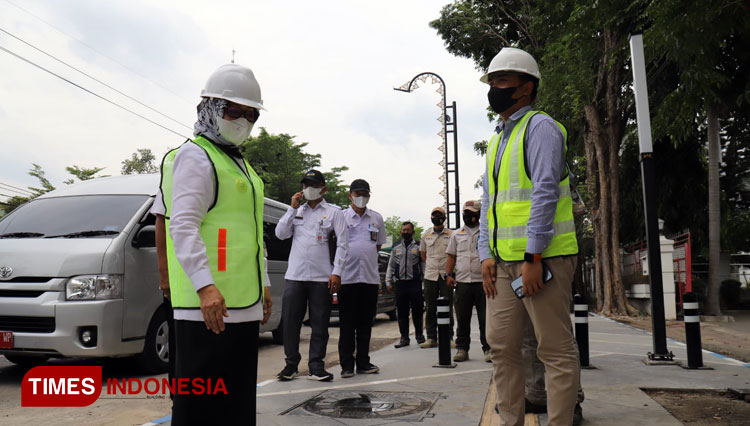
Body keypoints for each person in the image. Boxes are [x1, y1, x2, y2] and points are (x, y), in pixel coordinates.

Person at [163, 63, 272, 425]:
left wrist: (265, 285)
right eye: (232, 110)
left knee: (236, 408)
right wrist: (205, 287)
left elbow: (253, 235)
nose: (241, 120)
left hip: (242, 305)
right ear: (209, 107)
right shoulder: (197, 155)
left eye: (250, 114)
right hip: (206, 309)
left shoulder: (240, 164)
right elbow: (181, 224)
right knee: (201, 412)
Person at [478, 47, 580, 426]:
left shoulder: (541, 128)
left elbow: (544, 194)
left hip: (543, 260)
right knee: (502, 348)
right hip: (504, 263)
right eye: (491, 81)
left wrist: (533, 257)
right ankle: (510, 422)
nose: (494, 88)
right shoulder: (497, 139)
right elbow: (491, 202)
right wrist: (485, 252)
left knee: (554, 349)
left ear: (526, 87)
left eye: (502, 80)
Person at [275, 169, 348, 382]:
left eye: (313, 185)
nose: (308, 189)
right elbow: (280, 234)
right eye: (305, 185)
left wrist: (337, 272)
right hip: (295, 276)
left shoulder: (335, 212)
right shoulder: (297, 211)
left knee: (319, 323)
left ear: (323, 189)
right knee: (290, 322)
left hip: (321, 277)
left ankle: (316, 366)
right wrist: (291, 209)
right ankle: (291, 365)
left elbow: (343, 244)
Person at [338, 179, 386, 378]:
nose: (361, 197)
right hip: (347, 278)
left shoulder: (376, 218)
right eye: (357, 193)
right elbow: (335, 245)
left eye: (365, 194)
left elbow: (378, 246)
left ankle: (363, 362)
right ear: (350, 195)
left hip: (369, 278)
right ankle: (347, 365)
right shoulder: (341, 217)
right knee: (347, 324)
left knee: (366, 324)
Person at [445, 200, 491, 363]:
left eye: (471, 213)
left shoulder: (487, 232)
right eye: (465, 212)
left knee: (485, 318)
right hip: (463, 282)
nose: (467, 215)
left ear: (479, 214)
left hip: (483, 282)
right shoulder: (457, 234)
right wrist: (448, 275)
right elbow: (451, 256)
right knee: (462, 318)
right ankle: (462, 349)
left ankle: (488, 349)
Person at [385, 221, 425, 348]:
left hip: (415, 283)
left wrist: (424, 280)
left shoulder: (418, 246)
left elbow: (423, 264)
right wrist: (388, 281)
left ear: (413, 232)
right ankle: (404, 338)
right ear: (401, 232)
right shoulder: (396, 247)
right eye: (404, 230)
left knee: (417, 310)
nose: (405, 232)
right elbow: (391, 265)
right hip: (400, 284)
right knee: (402, 312)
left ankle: (419, 336)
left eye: (408, 230)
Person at [419, 207, 453, 348]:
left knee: (448, 306)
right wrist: (432, 264)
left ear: (444, 218)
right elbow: (423, 254)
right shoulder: (426, 235)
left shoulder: (451, 234)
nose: (436, 218)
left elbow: (453, 254)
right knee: (431, 307)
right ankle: (431, 338)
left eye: (439, 215)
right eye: (434, 215)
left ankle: (449, 337)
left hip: (445, 275)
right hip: (430, 275)